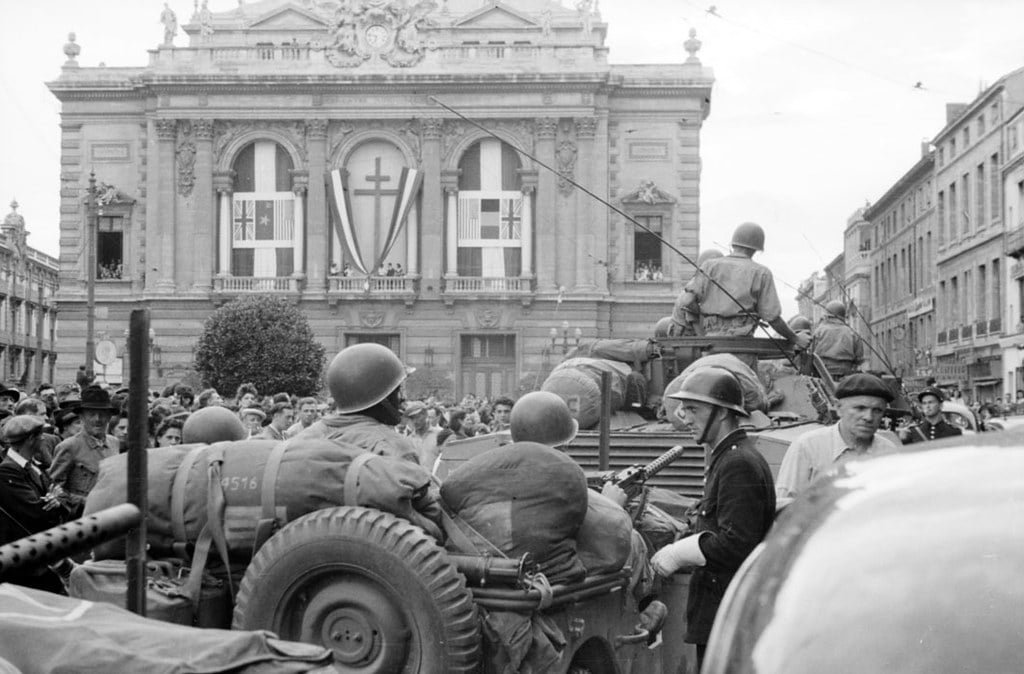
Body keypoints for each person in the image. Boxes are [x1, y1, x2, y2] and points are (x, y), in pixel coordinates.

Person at [650, 367, 775, 671]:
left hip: (726, 613)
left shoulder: (737, 463)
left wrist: (678, 553)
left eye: (693, 409)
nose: (684, 417)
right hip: (724, 611)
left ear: (721, 413)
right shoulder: (729, 457)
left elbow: (737, 544)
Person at [673, 223, 811, 358]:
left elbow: (687, 300)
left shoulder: (708, 266)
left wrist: (704, 313)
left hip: (711, 346)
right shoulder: (761, 273)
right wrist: (796, 339)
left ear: (733, 244)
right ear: (756, 249)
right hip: (742, 347)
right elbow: (772, 318)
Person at [775, 373, 900, 503]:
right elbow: (784, 505)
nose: (868, 417)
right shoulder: (808, 447)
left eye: (877, 410)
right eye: (860, 408)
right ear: (838, 408)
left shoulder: (889, 452)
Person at [295, 343, 419, 463]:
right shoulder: (396, 448)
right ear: (380, 396)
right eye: (396, 391)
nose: (403, 398)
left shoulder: (303, 439)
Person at [0, 415, 73, 594]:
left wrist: (56, 501)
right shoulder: (7, 471)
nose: (44, 439)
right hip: (24, 564)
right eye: (40, 435)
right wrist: (54, 502)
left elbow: (62, 496)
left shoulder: (34, 466)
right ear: (31, 439)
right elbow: (37, 512)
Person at [48, 385, 120, 516]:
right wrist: (86, 501)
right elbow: (55, 490)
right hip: (82, 520)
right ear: (81, 417)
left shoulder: (114, 443)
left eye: (102, 414)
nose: (97, 419)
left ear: (109, 417)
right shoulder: (69, 446)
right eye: (91, 414)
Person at [812, 300, 864, 379]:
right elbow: (859, 359)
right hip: (846, 376)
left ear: (827, 315)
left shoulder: (819, 331)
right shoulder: (852, 333)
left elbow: (811, 354)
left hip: (822, 374)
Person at [403, 401, 442, 470]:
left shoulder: (440, 435)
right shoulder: (408, 441)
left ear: (426, 414)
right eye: (412, 418)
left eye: (417, 417)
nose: (415, 421)